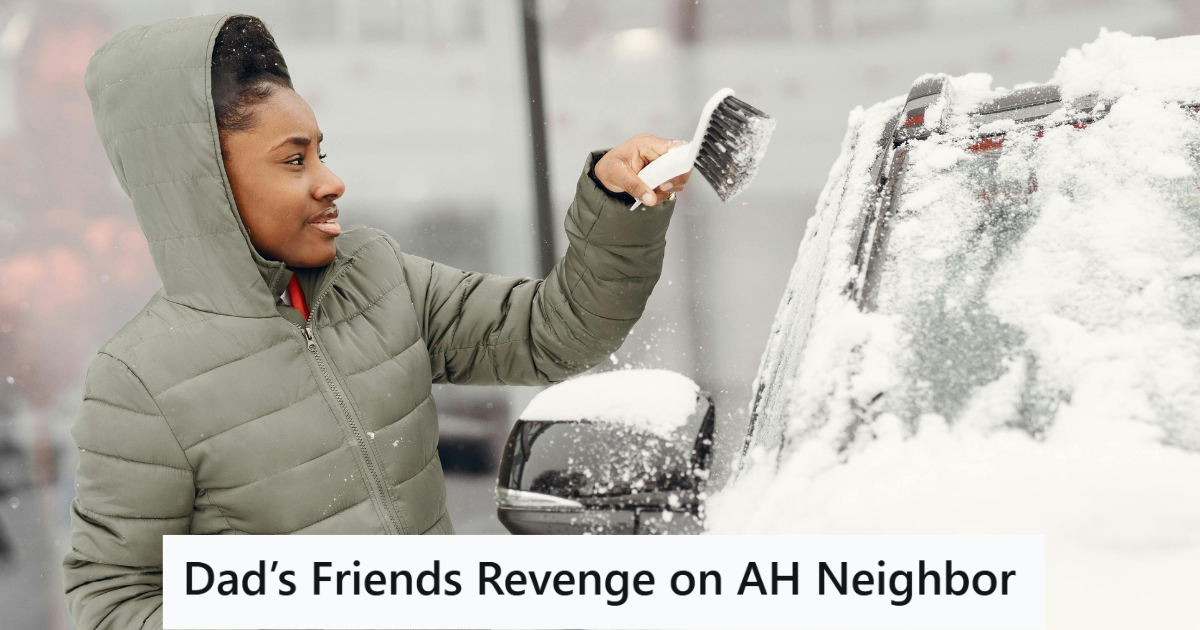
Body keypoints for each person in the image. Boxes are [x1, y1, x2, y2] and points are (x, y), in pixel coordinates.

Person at [62, 13, 690, 630]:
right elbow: (113, 602)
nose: (330, 181)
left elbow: (555, 332)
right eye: (293, 161)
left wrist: (618, 204)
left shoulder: (377, 276)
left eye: (321, 154)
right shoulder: (140, 378)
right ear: (209, 185)